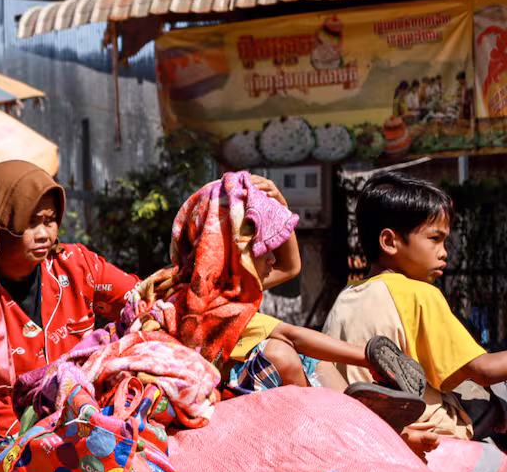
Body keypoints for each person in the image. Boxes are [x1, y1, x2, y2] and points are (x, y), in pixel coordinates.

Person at [123, 171, 426, 430]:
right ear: (234, 251)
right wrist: (370, 357)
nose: (272, 254)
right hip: (232, 394)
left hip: (257, 380)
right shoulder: (203, 304)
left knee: (311, 359)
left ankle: (362, 414)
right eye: (263, 246)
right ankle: (349, 420)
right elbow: (290, 332)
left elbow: (291, 267)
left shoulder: (231, 286)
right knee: (281, 352)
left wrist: (279, 205)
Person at [0, 160, 140, 437]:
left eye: (50, 220)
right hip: (11, 444)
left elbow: (142, 302)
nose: (45, 234)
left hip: (95, 423)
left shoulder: (78, 265)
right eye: (30, 222)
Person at [325, 172, 507, 454]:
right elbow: (484, 370)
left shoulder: (347, 297)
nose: (444, 252)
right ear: (389, 242)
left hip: (361, 430)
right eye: (435, 239)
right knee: (498, 399)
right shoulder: (418, 294)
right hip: (428, 430)